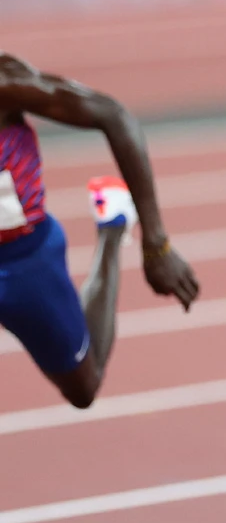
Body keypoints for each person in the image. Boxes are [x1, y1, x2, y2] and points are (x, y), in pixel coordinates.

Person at [0, 52, 199, 409]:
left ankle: (113, 227)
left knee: (83, 388)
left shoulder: (6, 82)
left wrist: (156, 244)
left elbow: (113, 115)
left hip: (23, 262)